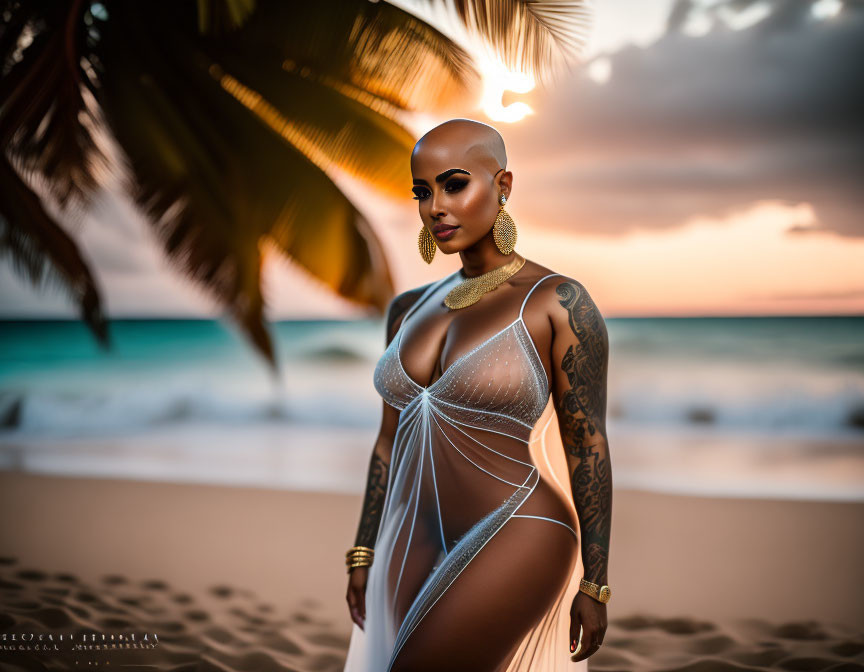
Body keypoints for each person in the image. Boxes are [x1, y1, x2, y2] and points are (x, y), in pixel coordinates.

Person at [342, 119, 612, 672]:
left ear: (503, 186)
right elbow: (388, 443)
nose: (435, 206)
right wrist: (363, 548)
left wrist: (596, 580)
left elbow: (587, 444)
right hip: (413, 533)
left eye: (454, 184)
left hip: (521, 526)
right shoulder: (406, 309)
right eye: (422, 192)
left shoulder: (557, 302)